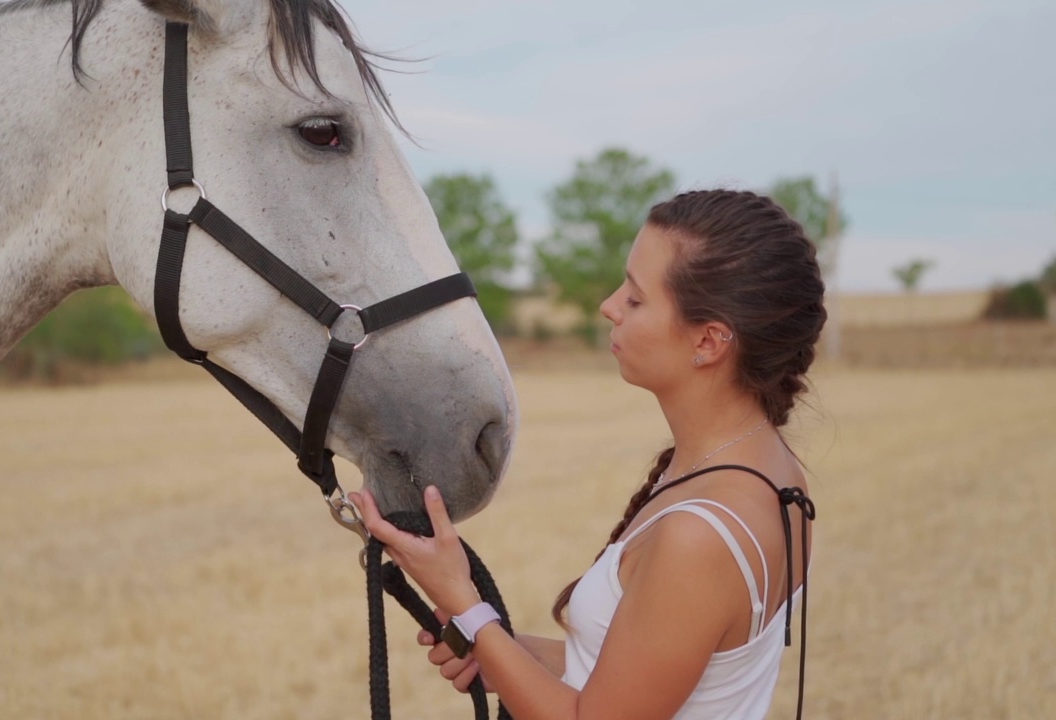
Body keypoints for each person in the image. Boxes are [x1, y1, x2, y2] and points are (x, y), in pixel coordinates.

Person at [351, 188, 825, 720]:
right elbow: (640, 673)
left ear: (710, 341)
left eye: (637, 298)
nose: (609, 305)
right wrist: (496, 647)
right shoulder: (768, 471)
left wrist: (461, 599)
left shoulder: (702, 533)